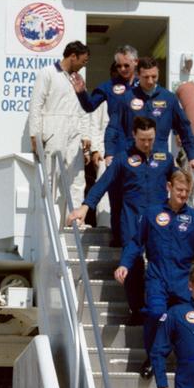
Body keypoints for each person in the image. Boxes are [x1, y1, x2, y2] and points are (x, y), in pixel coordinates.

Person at [114, 170, 194, 377]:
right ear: (169, 187)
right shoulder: (152, 214)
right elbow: (136, 243)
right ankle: (153, 359)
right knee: (156, 314)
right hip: (157, 277)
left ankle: (181, 359)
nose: (183, 195)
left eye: (187, 191)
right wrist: (124, 264)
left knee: (186, 320)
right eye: (179, 190)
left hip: (183, 279)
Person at [67, 116, 172, 316]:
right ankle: (137, 310)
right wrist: (85, 208)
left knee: (160, 263)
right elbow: (103, 183)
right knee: (133, 265)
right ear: (133, 135)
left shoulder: (165, 158)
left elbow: (179, 183)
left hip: (158, 222)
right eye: (142, 140)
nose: (147, 144)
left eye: (150, 139)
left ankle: (159, 310)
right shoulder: (123, 159)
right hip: (132, 220)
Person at [73, 44, 138, 243]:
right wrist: (81, 92)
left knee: (136, 195)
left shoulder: (145, 85)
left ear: (135, 63)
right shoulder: (109, 87)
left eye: (126, 65)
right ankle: (117, 238)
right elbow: (90, 106)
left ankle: (135, 240)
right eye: (119, 66)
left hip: (140, 148)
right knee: (115, 195)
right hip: (117, 147)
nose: (122, 69)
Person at [28, 40, 91, 225]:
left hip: (75, 132)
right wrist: (35, 135)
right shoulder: (47, 73)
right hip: (54, 130)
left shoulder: (78, 78)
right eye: (83, 61)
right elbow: (36, 105)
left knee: (77, 177)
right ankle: (48, 221)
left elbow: (84, 107)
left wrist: (86, 134)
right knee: (51, 176)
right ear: (73, 56)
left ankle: (74, 221)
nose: (83, 65)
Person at [118, 58, 194, 171]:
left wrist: (193, 156)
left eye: (154, 77)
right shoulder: (127, 98)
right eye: (146, 77)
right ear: (138, 75)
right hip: (132, 159)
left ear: (158, 73)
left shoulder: (169, 98)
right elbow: (115, 129)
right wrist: (111, 153)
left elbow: (184, 128)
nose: (150, 81)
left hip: (159, 160)